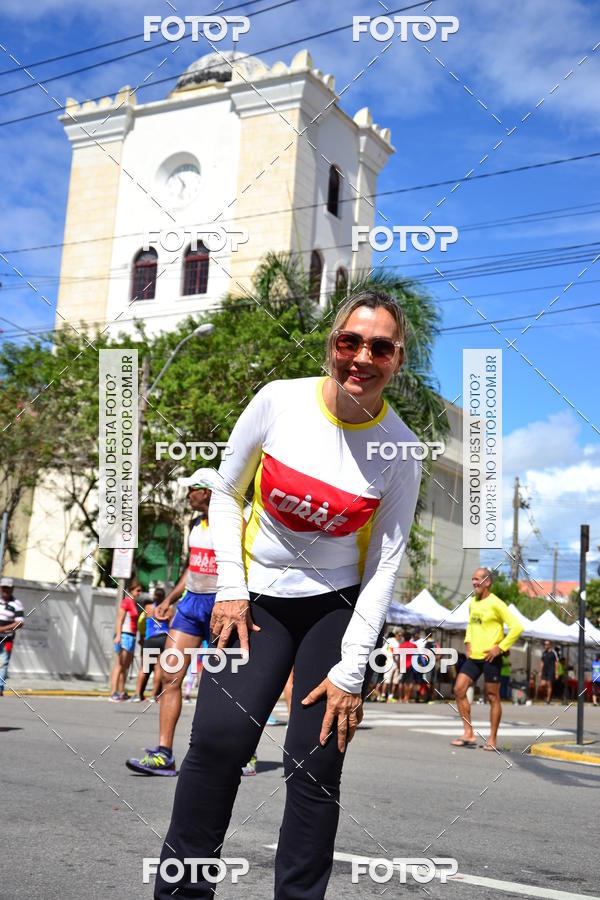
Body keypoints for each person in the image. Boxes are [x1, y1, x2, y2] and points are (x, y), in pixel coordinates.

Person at [153, 291, 421, 899]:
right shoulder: (280, 400)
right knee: (219, 743)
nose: (361, 357)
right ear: (332, 344)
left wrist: (353, 669)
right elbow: (225, 491)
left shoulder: (400, 452)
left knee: (316, 759)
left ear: (397, 359)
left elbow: (385, 562)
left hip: (337, 607)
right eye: (348, 342)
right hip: (256, 599)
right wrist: (230, 589)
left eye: (379, 347)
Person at [126, 469, 219, 775]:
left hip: (221, 604)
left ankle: (244, 752)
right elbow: (192, 568)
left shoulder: (234, 520)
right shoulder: (194, 523)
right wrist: (170, 600)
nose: (187, 494)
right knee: (169, 674)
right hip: (192, 603)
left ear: (205, 491)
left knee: (226, 684)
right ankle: (164, 753)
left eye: (192, 489)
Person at [452, 568, 523, 750]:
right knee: (459, 689)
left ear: (487, 582)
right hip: (474, 657)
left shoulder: (497, 604)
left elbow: (517, 627)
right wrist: (468, 643)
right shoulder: (472, 603)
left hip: (491, 658)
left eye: (478, 580)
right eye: (473, 579)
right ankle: (469, 733)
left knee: (493, 697)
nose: (474, 583)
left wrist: (500, 648)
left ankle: (492, 739)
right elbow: (471, 625)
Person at [132, 588, 172, 703]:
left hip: (150, 639)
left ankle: (137, 694)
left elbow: (141, 622)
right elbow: (171, 626)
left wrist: (141, 637)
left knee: (144, 668)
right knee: (158, 668)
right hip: (163, 639)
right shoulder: (169, 610)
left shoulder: (148, 608)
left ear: (154, 596)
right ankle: (154, 695)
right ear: (164, 597)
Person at [109, 579, 142, 702]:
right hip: (124, 635)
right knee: (119, 665)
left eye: (140, 591)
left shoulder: (134, 603)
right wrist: (118, 636)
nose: (139, 593)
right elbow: (119, 620)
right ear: (131, 590)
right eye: (137, 590)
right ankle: (113, 692)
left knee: (126, 667)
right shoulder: (126, 602)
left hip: (132, 636)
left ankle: (121, 691)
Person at [0, 577, 24, 696]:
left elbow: (19, 623)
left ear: (12, 589)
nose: (5, 590)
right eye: (4, 588)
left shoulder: (16, 604)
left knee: (2, 663)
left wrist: (3, 629)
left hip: (6, 639)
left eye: (8, 588)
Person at [396, 630, 418, 703]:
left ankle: (400, 698)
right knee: (410, 682)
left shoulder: (401, 645)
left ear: (404, 637)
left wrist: (398, 667)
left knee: (401, 682)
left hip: (402, 665)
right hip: (411, 665)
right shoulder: (413, 645)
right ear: (410, 638)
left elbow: (399, 657)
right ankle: (407, 698)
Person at [538, 640, 559, 705]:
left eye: (547, 644)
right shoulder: (544, 652)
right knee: (542, 685)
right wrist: (540, 671)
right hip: (544, 671)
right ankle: (546, 695)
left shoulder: (553, 653)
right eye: (545, 644)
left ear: (550, 645)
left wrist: (556, 673)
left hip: (551, 671)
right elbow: (542, 662)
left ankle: (548, 699)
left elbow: (556, 663)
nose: (545, 646)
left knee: (549, 685)